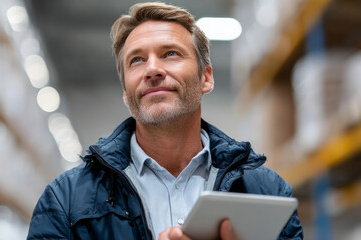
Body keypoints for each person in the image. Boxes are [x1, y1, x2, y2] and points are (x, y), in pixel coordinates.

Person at [27, 2, 303, 240]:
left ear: (206, 77)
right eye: (136, 60)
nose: (153, 70)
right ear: (126, 92)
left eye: (170, 54)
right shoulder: (65, 201)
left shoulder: (268, 192)